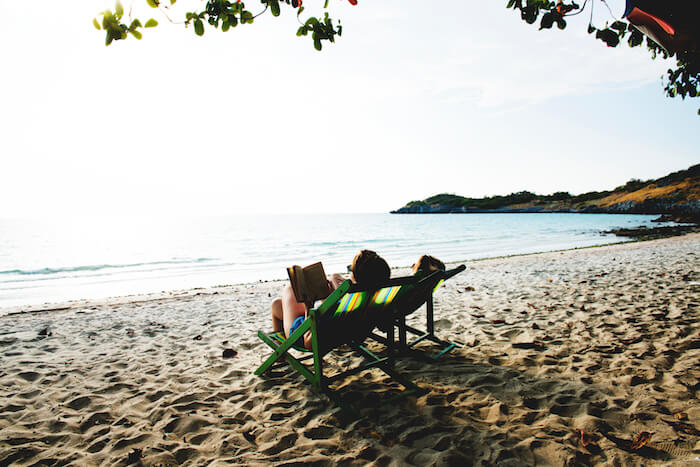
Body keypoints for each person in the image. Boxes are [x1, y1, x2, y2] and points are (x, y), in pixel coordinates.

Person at [271, 250, 390, 349]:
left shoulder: (347, 304)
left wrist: (309, 307)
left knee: (289, 289)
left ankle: (279, 350)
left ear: (356, 277)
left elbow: (309, 343)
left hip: (301, 332)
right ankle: (279, 346)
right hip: (341, 331)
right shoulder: (376, 300)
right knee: (277, 304)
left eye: (351, 270)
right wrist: (330, 296)